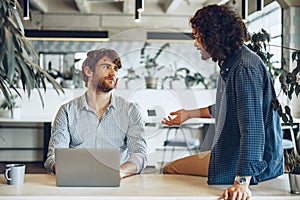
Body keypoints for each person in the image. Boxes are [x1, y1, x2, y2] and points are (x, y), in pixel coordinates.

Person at [162, 4, 283, 200]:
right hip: (235, 155)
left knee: (170, 169)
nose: (195, 43)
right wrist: (188, 114)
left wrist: (242, 183)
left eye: (197, 35)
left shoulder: (243, 68)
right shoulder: (233, 62)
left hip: (253, 163)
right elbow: (228, 108)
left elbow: (253, 129)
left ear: (213, 35)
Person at [44, 48, 147, 178]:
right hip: (76, 182)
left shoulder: (131, 111)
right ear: (88, 71)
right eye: (106, 66)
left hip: (119, 185)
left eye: (115, 68)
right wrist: (69, 172)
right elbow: (53, 157)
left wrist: (117, 173)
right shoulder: (67, 111)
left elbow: (139, 154)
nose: (113, 73)